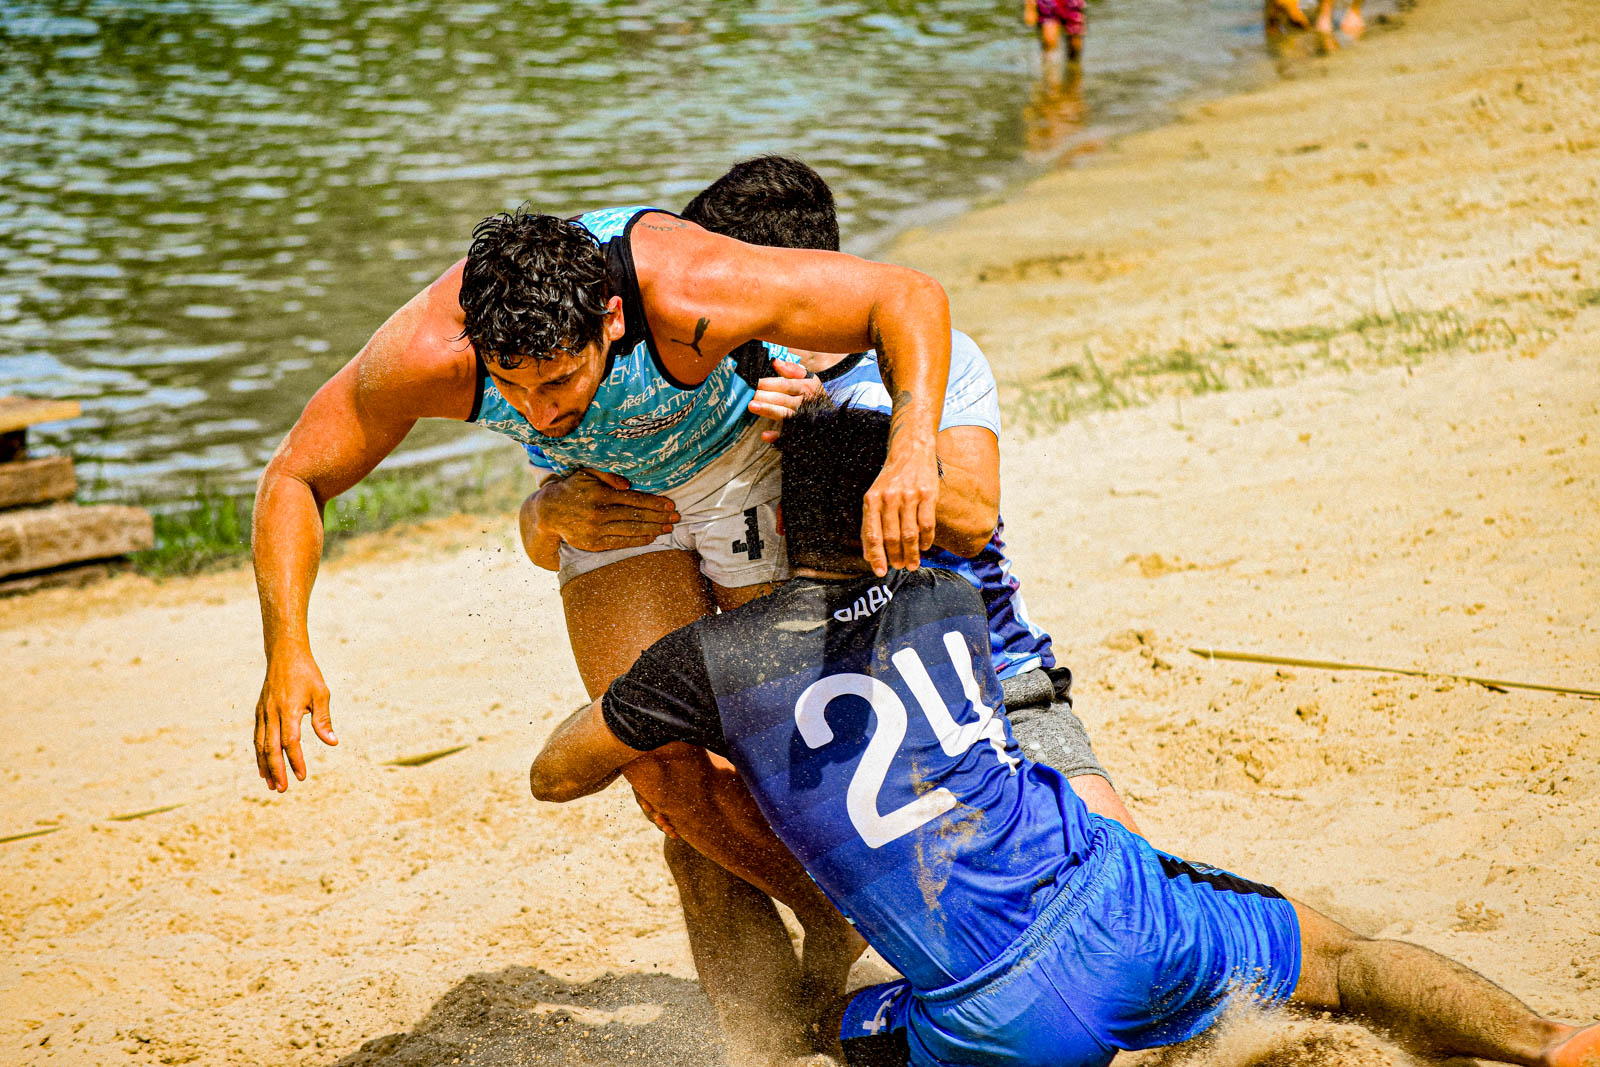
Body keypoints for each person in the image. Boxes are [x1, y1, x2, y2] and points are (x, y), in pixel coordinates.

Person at [529, 397, 1600, 1067]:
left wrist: (657, 695)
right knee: (1349, 962)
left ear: (777, 520)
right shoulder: (947, 599)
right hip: (1124, 909)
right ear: (887, 513)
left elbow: (555, 774)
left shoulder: (715, 661)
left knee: (824, 1015)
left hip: (994, 1020)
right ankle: (1550, 1041)